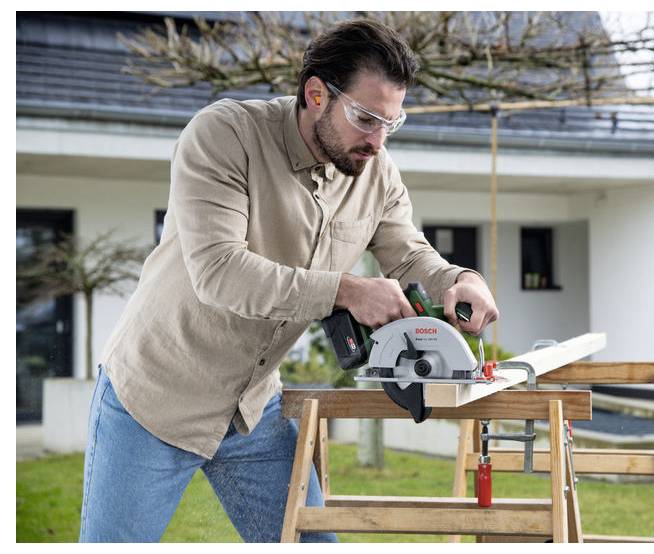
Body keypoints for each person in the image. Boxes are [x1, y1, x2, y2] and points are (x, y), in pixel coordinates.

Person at [79, 18, 499, 543]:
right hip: (155, 399)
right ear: (317, 94)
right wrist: (345, 290)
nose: (377, 140)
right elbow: (218, 271)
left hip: (254, 410)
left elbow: (408, 253)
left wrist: (461, 280)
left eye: (392, 122)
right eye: (366, 118)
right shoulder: (225, 135)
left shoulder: (376, 169)